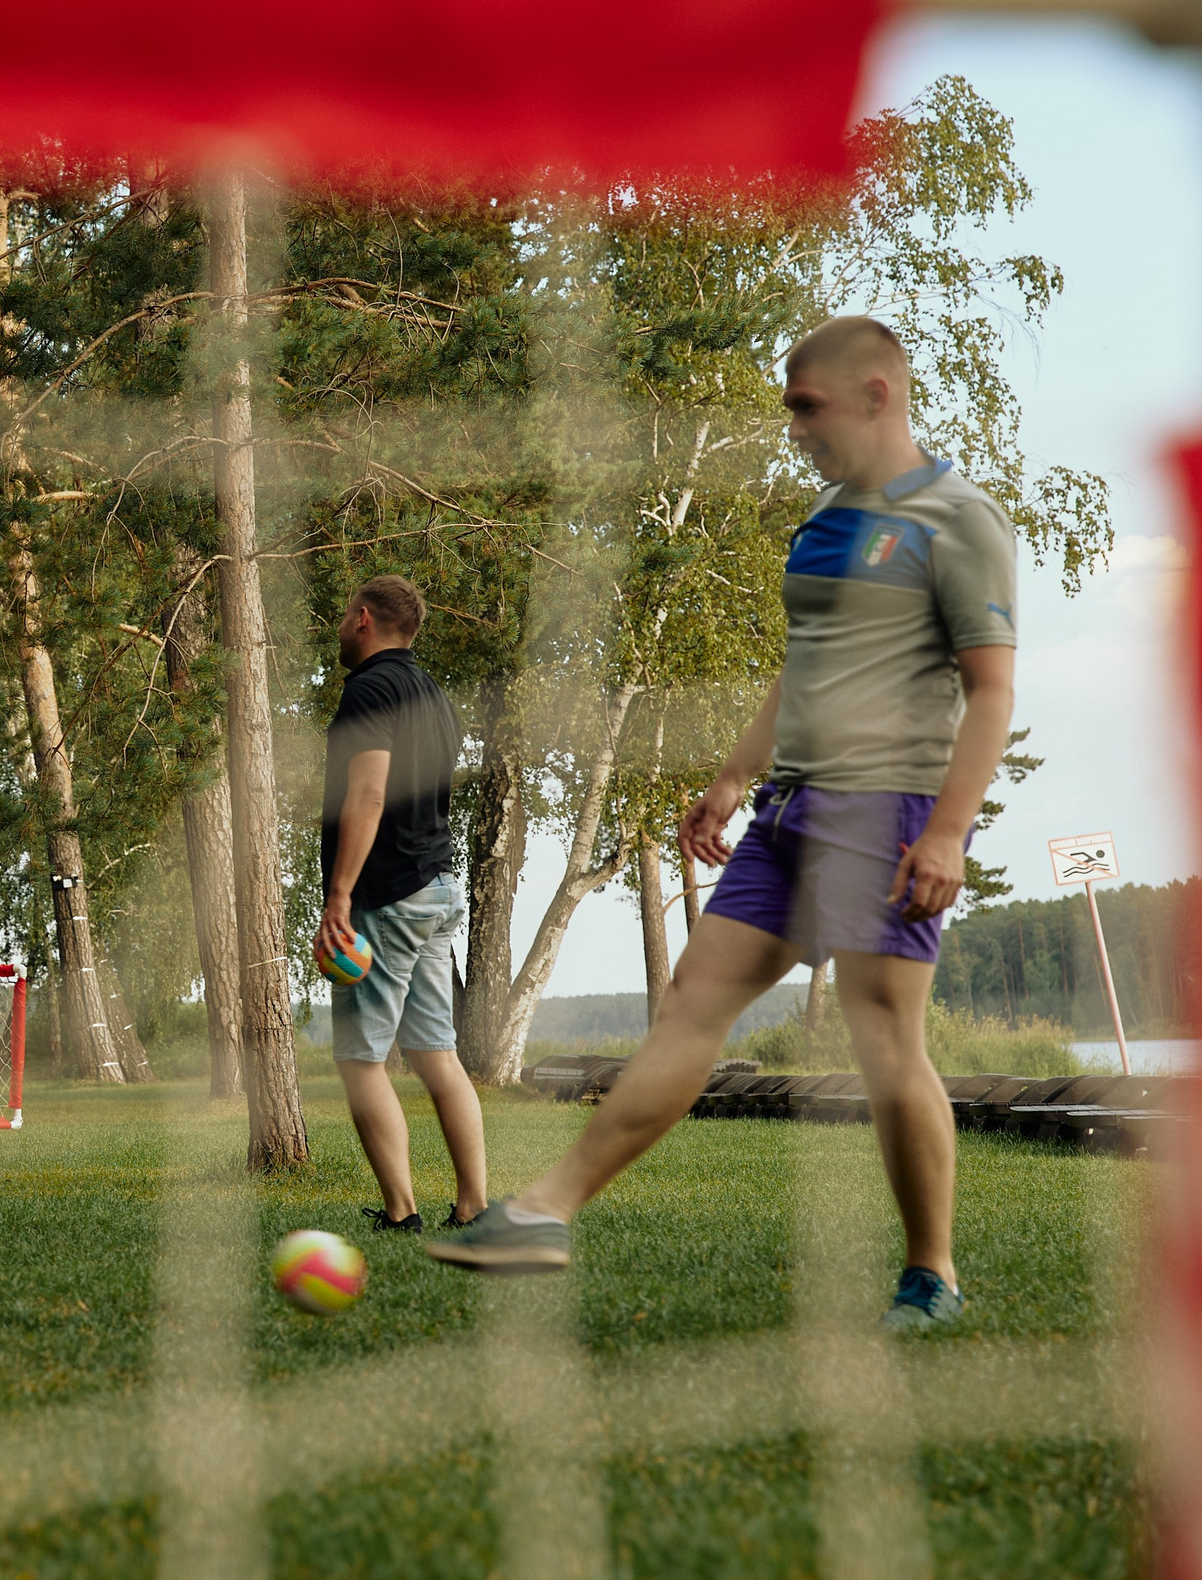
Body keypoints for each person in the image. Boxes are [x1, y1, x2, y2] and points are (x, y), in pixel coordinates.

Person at [428, 317, 1016, 1332]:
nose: (792, 428)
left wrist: (948, 831)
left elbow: (991, 688)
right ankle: (543, 1210)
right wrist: (735, 775)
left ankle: (931, 1272)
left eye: (806, 406)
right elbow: (807, 667)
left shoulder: (957, 519)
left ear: (875, 394)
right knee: (692, 1003)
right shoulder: (827, 517)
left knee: (885, 1042)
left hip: (889, 812)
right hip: (791, 810)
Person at [318, 575, 487, 1232]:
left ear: (363, 619)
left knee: (360, 1060)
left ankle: (401, 1212)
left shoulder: (369, 689)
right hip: (436, 887)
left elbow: (368, 795)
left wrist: (339, 896)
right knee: (434, 1054)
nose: (339, 626)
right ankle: (472, 1206)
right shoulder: (435, 697)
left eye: (342, 615)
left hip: (386, 894)